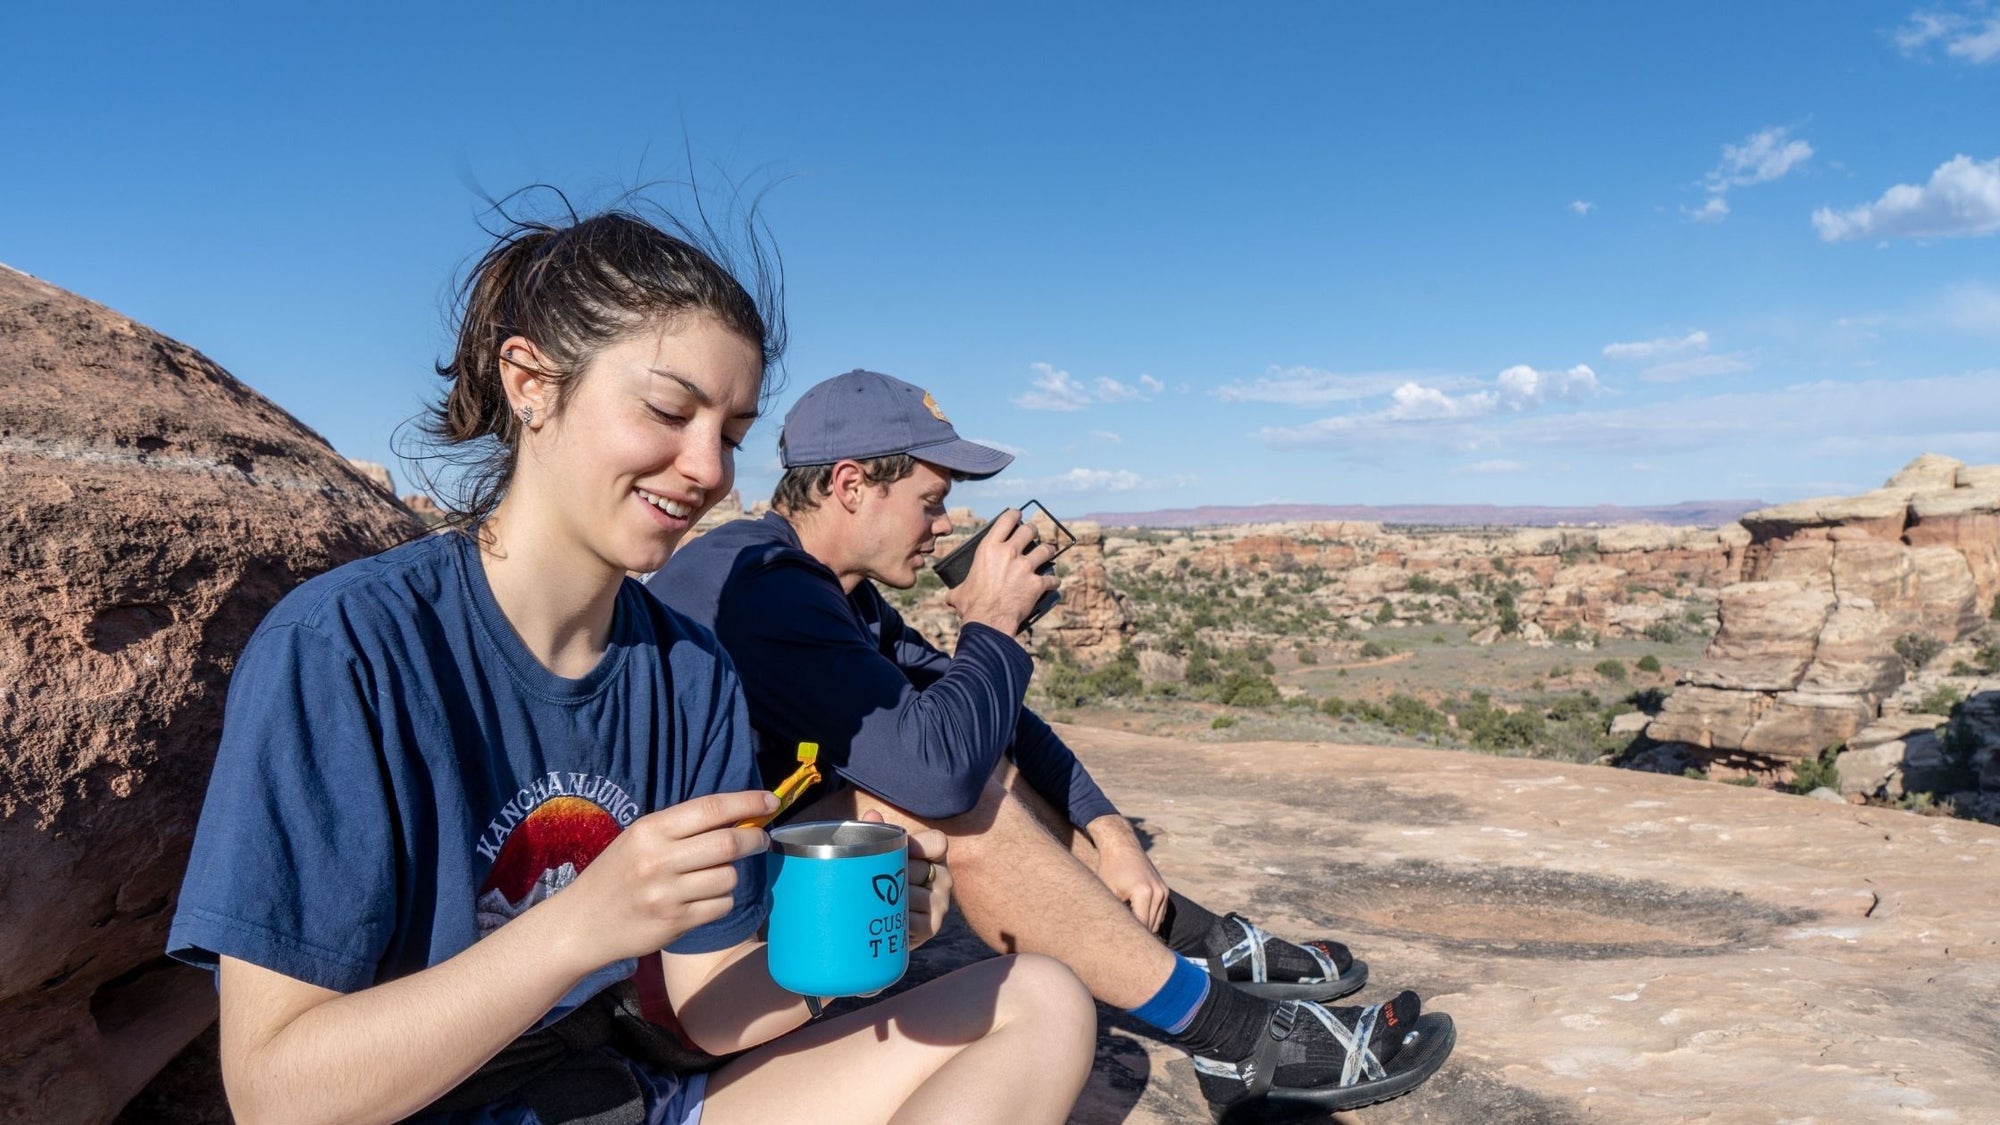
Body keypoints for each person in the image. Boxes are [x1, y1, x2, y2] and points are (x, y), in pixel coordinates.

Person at [167, 211, 1096, 1125]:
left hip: (618, 1097)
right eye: (667, 409)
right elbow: (276, 1093)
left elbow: (700, 1001)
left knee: (1041, 1002)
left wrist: (844, 955)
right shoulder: (350, 648)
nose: (707, 469)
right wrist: (580, 926)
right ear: (530, 382)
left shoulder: (688, 672)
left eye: (729, 433)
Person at [648, 369, 1456, 1114]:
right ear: (851, 483)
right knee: (954, 796)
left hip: (753, 904)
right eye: (931, 501)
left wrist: (1111, 834)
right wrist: (990, 621)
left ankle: (1200, 943)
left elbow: (991, 720)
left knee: (969, 742)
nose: (943, 524)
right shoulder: (758, 587)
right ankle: (1237, 1039)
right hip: (692, 968)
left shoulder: (834, 595)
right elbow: (939, 780)